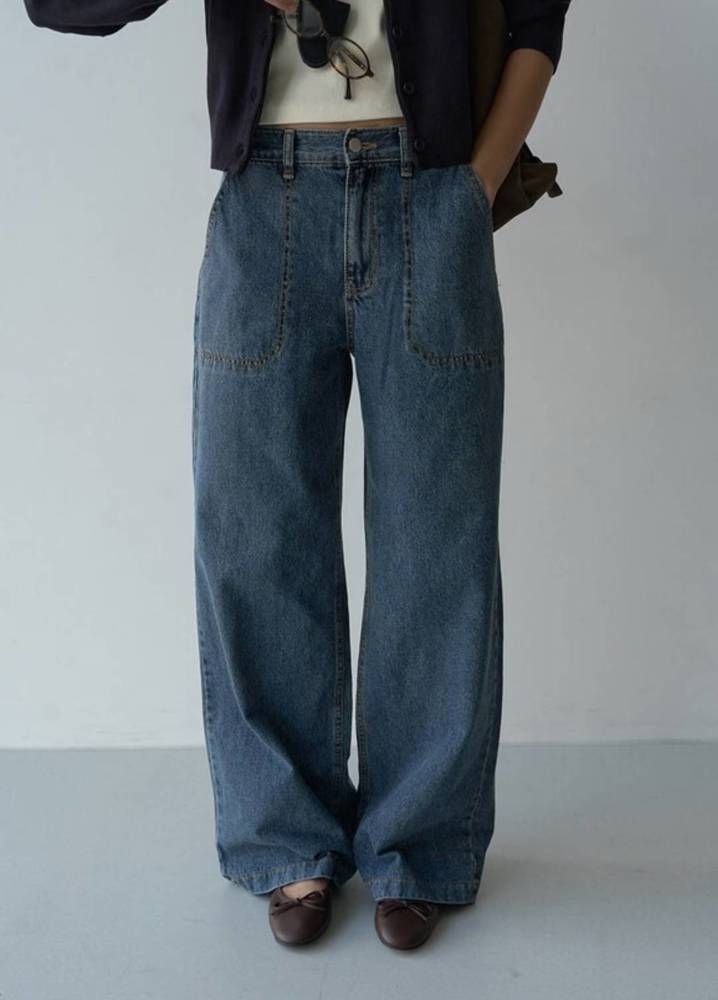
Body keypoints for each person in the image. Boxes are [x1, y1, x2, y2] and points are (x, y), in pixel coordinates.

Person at [23, 0, 571, 951]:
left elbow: (538, 18)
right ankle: (288, 841)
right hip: (264, 197)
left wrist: (473, 189)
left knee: (436, 540)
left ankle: (419, 847)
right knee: (256, 537)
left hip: (429, 191)